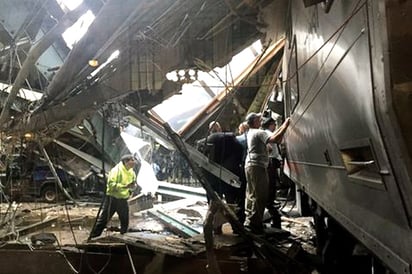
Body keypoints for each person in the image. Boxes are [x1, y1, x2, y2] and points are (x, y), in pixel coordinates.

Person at [244, 112, 290, 234]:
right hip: (257, 166)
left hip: (251, 165)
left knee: (252, 194)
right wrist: (285, 125)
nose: (261, 120)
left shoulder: (251, 132)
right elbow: (276, 139)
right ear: (254, 122)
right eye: (259, 119)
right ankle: (255, 224)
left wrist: (281, 127)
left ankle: (251, 221)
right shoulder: (259, 132)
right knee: (261, 195)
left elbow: (271, 142)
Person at [90, 154, 137, 238]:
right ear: (126, 162)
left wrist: (132, 188)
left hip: (123, 199)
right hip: (112, 199)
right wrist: (125, 186)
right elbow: (111, 185)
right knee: (104, 219)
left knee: (125, 220)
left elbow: (133, 184)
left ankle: (123, 236)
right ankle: (93, 236)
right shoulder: (116, 171)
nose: (134, 162)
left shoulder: (132, 172)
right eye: (132, 160)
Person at [261, 116, 283, 228]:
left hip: (273, 161)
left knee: (273, 185)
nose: (275, 126)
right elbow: (276, 141)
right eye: (274, 124)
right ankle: (270, 206)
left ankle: (271, 204)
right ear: (270, 125)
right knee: (271, 186)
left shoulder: (267, 133)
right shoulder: (267, 134)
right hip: (270, 162)